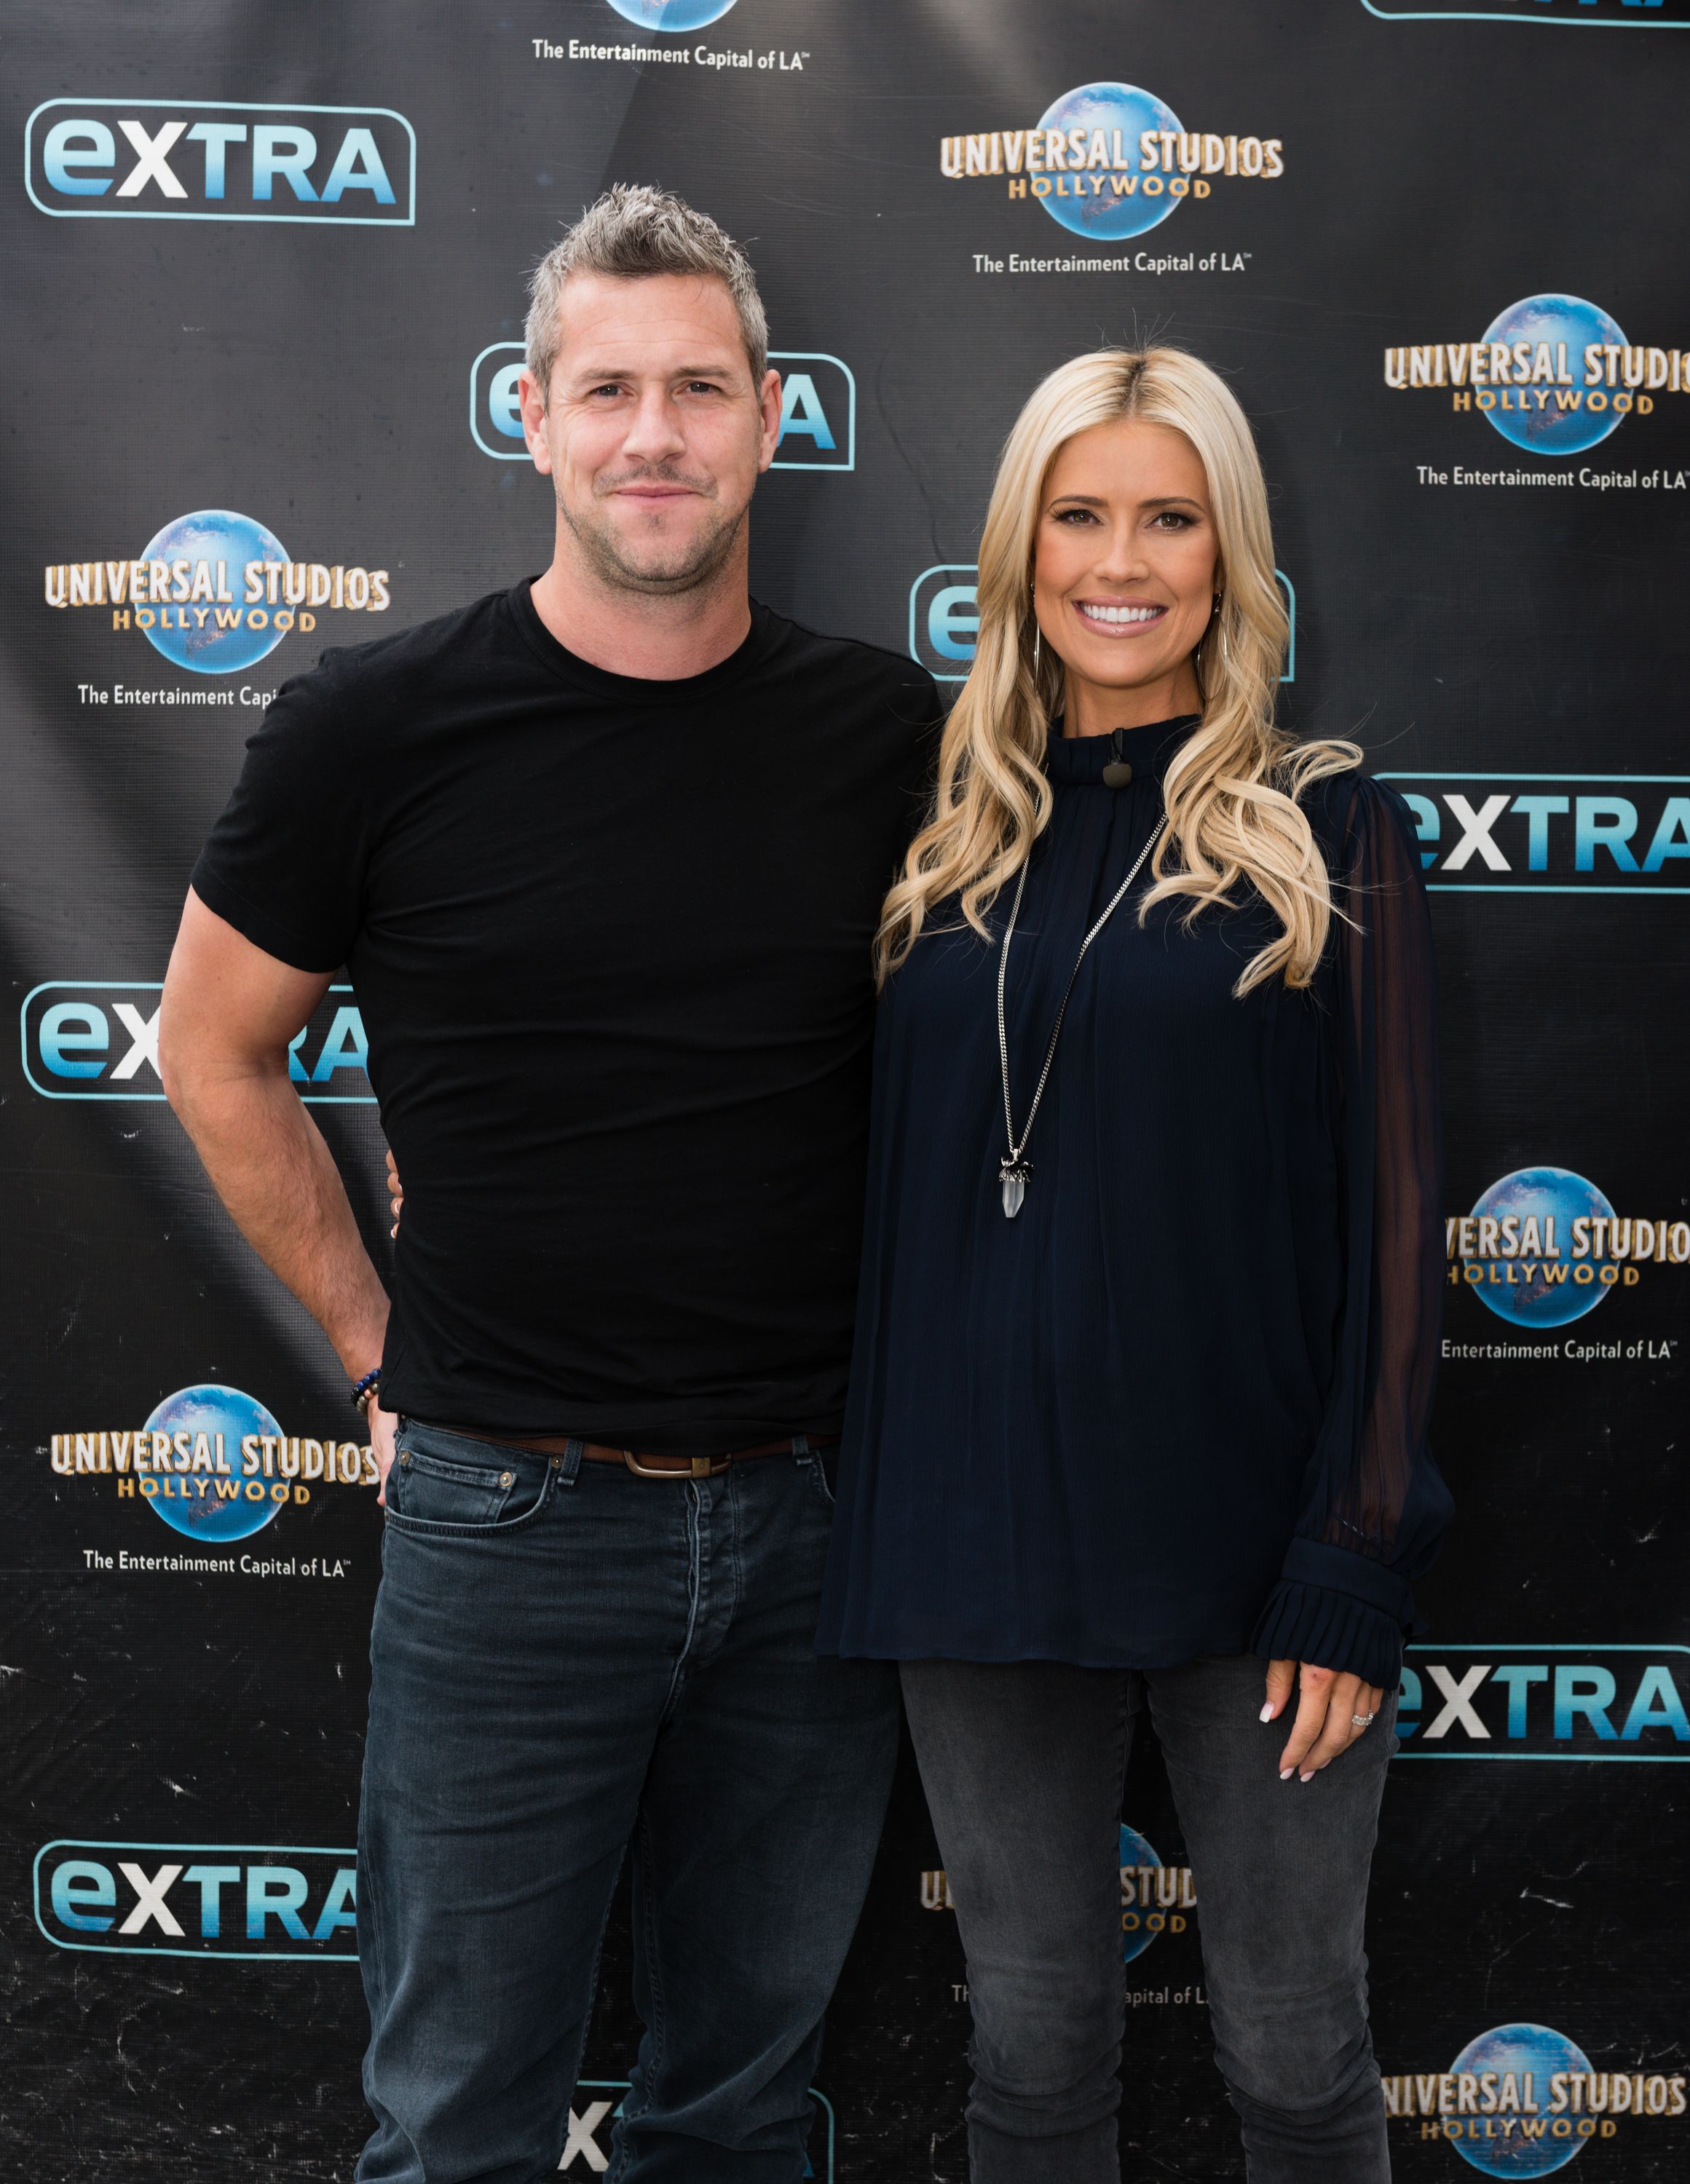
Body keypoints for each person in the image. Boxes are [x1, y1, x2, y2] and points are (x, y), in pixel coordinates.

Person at [158, 185, 937, 2184]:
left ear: (775, 416)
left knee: (745, 2115)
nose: (652, 435)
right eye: (609, 390)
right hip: (506, 1522)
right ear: (533, 414)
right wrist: (367, 1347)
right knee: (456, 2128)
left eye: (697, 388)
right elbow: (212, 1044)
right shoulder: (376, 726)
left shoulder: (893, 740)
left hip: (818, 1528)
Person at [816, 347, 1453, 2183]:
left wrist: (1354, 1550)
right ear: (1018, 549)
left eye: (1169, 517)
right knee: (1027, 2056)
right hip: (968, 1539)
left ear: (1231, 556)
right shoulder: (931, 843)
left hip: (1258, 1551)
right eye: (1078, 514)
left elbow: (1406, 1225)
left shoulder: (1333, 831)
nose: (1122, 558)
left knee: (1295, 2057)